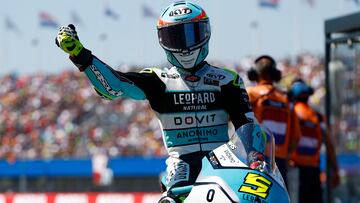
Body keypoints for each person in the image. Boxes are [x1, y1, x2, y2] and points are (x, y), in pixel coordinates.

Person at [55, 1, 261, 202]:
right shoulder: (158, 80)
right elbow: (113, 87)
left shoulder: (228, 80)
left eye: (192, 34)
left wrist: (254, 158)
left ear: (205, 33)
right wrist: (80, 55)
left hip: (224, 167)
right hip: (181, 170)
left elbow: (247, 125)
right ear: (163, 40)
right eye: (176, 37)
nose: (185, 45)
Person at [246, 55, 301, 184]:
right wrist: (286, 155)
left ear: (254, 74)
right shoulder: (286, 99)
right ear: (276, 74)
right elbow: (296, 137)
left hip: (255, 159)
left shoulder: (251, 94)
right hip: (280, 162)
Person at [289, 79, 340, 203]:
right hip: (314, 170)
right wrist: (336, 170)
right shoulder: (318, 117)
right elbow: (329, 145)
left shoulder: (290, 113)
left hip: (295, 169)